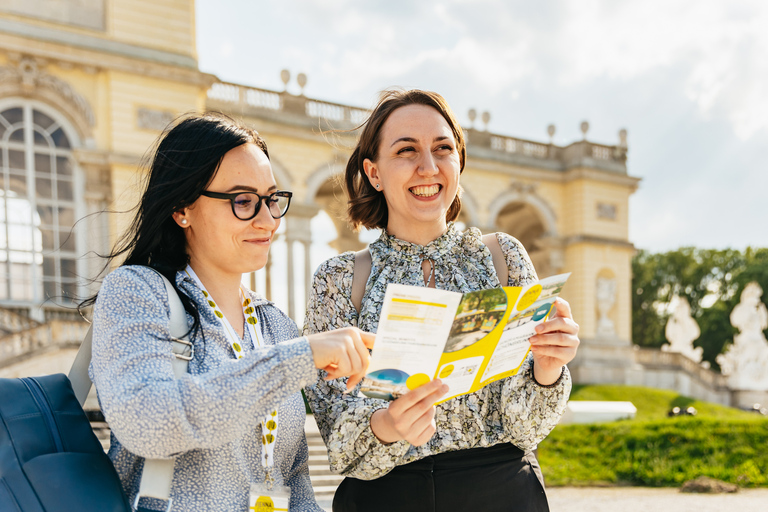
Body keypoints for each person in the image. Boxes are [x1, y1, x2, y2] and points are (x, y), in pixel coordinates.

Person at [303, 90, 581, 512]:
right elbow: (338, 438)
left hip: (502, 492)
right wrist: (388, 425)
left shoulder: (504, 256)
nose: (428, 167)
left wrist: (548, 369)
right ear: (374, 173)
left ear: (459, 164)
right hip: (385, 499)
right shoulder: (339, 279)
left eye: (443, 149)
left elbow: (527, 430)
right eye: (406, 150)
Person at [85, 113, 374, 511]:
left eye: (272, 199)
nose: (268, 219)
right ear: (181, 208)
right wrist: (301, 357)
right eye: (243, 201)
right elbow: (148, 423)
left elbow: (292, 474)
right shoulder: (136, 292)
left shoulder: (277, 325)